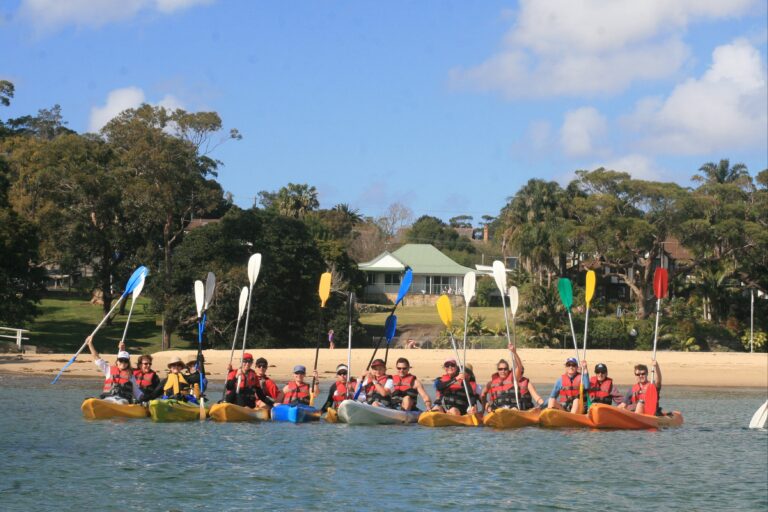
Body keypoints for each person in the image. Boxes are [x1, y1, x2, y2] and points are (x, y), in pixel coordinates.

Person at [86, 336, 143, 404]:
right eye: (121, 360)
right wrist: (90, 344)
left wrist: (146, 399)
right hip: (108, 398)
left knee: (120, 402)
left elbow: (137, 392)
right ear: (117, 361)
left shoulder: (130, 376)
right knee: (97, 400)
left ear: (128, 363)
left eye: (126, 361)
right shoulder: (108, 370)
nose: (123, 363)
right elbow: (96, 357)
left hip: (123, 400)